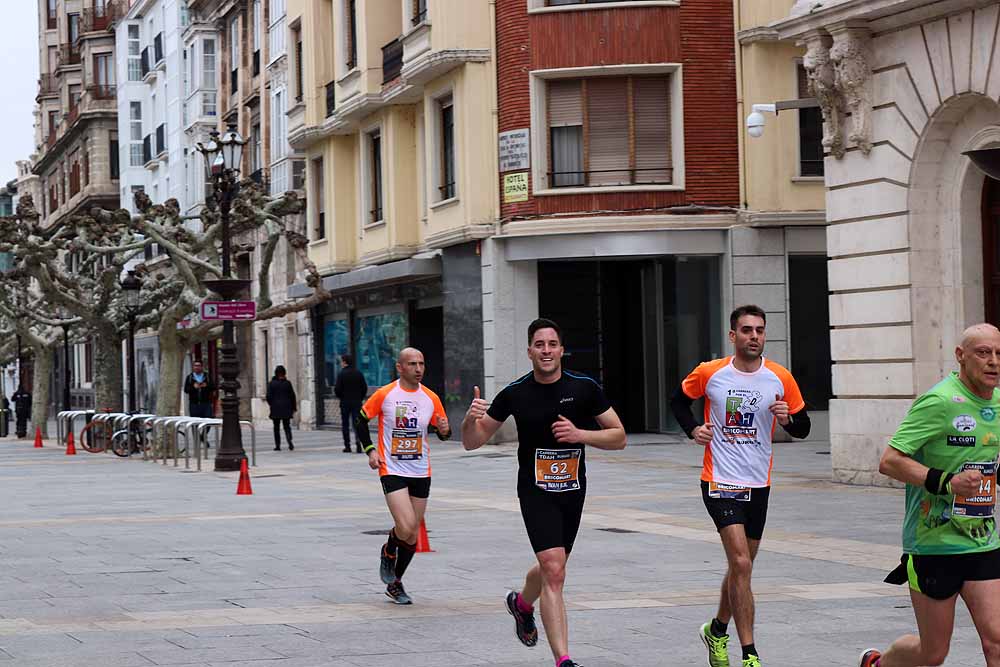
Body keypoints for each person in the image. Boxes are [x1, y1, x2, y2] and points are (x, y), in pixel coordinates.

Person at [461, 318, 626, 667]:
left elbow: (618, 436)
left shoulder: (584, 388)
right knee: (554, 569)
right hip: (535, 491)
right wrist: (467, 419)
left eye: (552, 344)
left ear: (562, 350)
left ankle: (522, 605)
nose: (546, 351)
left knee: (553, 565)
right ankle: (563, 660)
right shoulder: (515, 393)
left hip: (572, 491)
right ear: (529, 351)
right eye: (540, 345)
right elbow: (472, 441)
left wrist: (581, 435)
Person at [670, 304, 811, 667]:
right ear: (733, 336)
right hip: (719, 479)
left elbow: (804, 427)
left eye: (760, 330)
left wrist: (789, 419)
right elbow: (679, 402)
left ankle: (716, 629)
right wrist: (693, 430)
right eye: (747, 330)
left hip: (758, 483)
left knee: (740, 569)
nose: (754, 336)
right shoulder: (710, 373)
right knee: (742, 563)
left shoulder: (779, 377)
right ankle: (749, 653)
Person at [859, 323, 1000, 667]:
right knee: (933, 653)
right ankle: (877, 664)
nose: (993, 361)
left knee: (996, 639)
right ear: (960, 357)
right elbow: (890, 461)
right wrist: (946, 482)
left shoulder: (998, 403)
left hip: (982, 540)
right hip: (934, 542)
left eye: (998, 354)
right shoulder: (938, 402)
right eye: (983, 353)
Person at [356, 347, 450, 605]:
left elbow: (443, 433)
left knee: (411, 535)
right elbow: (361, 419)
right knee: (406, 526)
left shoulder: (430, 398)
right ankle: (388, 551)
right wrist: (370, 450)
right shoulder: (385, 394)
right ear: (400, 367)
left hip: (421, 470)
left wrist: (444, 429)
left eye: (421, 363)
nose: (418, 369)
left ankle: (395, 582)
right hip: (392, 469)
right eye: (412, 364)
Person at [335, 353, 368, 453]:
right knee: (357, 423)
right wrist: (359, 397)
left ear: (344, 362)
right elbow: (364, 388)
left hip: (345, 402)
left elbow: (337, 389)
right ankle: (358, 443)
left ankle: (347, 445)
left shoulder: (341, 374)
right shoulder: (358, 373)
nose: (341, 363)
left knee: (345, 424)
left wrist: (341, 397)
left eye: (341, 361)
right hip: (357, 402)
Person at [266, 365, 297, 451]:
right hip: (286, 408)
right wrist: (294, 407)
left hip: (275, 408)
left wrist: (272, 404)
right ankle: (289, 441)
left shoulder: (271, 384)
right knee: (287, 426)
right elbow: (292, 396)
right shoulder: (287, 383)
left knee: (276, 427)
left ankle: (278, 445)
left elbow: (268, 396)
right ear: (284, 373)